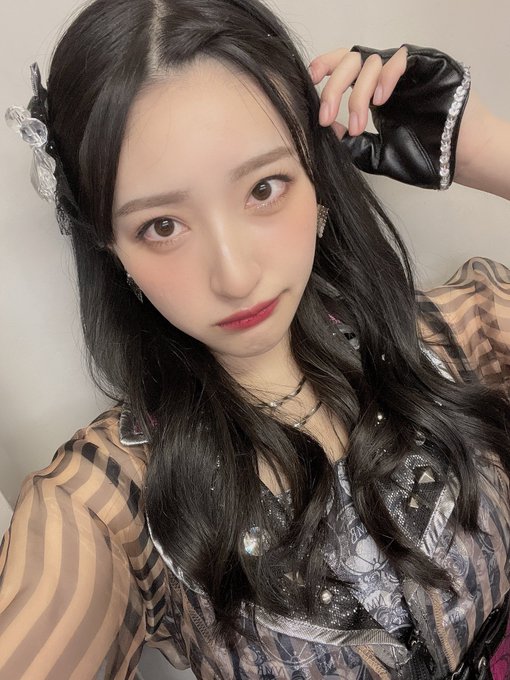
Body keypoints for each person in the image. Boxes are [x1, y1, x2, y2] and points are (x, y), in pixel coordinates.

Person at [1, 0, 509, 678]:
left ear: (315, 178)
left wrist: (485, 151)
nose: (236, 276)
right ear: (112, 248)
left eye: (265, 188)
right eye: (162, 226)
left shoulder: (455, 335)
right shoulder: (109, 500)